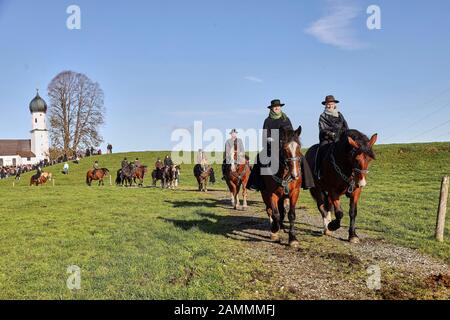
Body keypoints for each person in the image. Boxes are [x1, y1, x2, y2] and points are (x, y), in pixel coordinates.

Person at [248, 99, 314, 190]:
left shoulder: (286, 119)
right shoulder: (267, 120)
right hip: (272, 145)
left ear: (280, 107)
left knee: (301, 157)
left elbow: (291, 133)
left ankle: (307, 182)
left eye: (278, 106)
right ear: (271, 109)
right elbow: (265, 134)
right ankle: (255, 183)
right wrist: (269, 139)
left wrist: (289, 139)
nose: (277, 108)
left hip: (285, 144)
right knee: (259, 157)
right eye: (275, 107)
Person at [316, 95, 349, 179]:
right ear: (325, 105)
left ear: (334, 104)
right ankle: (319, 171)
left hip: (340, 138)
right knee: (321, 150)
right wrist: (332, 134)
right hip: (327, 139)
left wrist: (346, 134)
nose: (330, 105)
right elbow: (322, 129)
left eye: (331, 103)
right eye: (328, 104)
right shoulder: (322, 116)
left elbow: (345, 126)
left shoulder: (340, 115)